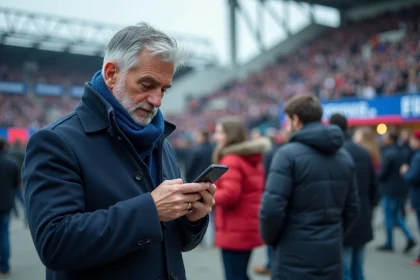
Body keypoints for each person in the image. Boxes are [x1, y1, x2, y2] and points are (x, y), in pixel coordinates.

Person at [22, 23, 214, 280]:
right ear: (112, 73)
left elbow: (174, 243)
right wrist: (151, 210)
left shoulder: (161, 142)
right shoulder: (56, 141)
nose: (157, 100)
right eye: (147, 84)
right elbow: (55, 244)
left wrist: (192, 218)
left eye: (163, 89)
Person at [259, 94, 360, 280]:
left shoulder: (286, 155)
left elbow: (271, 209)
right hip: (331, 252)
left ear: (296, 119)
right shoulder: (344, 157)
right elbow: (352, 208)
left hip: (292, 255)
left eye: (287, 120)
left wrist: (272, 240)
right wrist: (333, 232)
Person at [213, 117, 270, 280]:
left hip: (234, 230)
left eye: (219, 132)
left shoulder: (231, 159)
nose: (216, 137)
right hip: (245, 227)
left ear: (230, 135)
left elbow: (230, 195)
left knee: (234, 275)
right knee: (240, 274)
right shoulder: (248, 159)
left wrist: (206, 194)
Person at [329, 114, 378, 280]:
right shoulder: (364, 153)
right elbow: (374, 188)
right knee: (358, 267)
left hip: (344, 218)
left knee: (345, 270)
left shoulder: (335, 153)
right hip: (363, 215)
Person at [253, 128, 287, 276]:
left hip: (270, 193)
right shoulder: (283, 151)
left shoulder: (268, 154)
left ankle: (270, 264)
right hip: (281, 195)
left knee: (271, 230)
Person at [377, 131, 416, 253]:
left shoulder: (389, 154)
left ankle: (390, 243)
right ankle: (409, 237)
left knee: (389, 215)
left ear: (390, 139)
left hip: (390, 189)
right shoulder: (404, 152)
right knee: (396, 215)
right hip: (402, 188)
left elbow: (382, 173)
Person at [0, 138, 21, 277]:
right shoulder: (11, 162)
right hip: (5, 203)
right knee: (4, 234)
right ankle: (5, 266)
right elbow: (16, 184)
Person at [400, 130, 420, 266]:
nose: (411, 142)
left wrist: (405, 171)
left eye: (413, 139)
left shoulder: (417, 158)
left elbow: (411, 177)